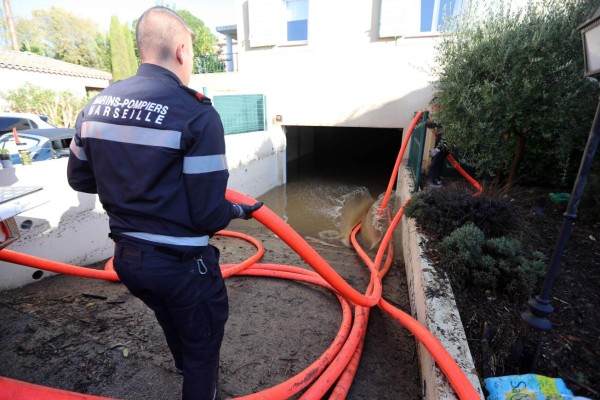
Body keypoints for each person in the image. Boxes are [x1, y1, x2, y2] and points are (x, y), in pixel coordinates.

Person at [67, 6, 262, 399]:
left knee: (169, 316)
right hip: (181, 266)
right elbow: (208, 213)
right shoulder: (195, 114)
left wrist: (132, 185)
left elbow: (79, 178)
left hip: (128, 260)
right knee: (203, 345)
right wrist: (240, 210)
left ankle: (181, 365)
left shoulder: (96, 107)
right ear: (181, 50)